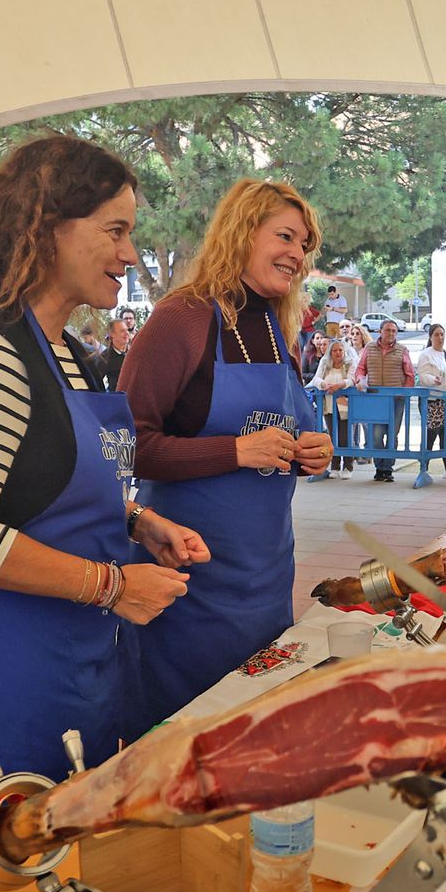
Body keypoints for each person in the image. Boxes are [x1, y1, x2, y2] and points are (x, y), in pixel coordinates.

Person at [0, 136, 208, 886]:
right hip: (0, 660)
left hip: (75, 654)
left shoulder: (68, 352)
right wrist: (114, 587)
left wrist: (136, 522)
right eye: (115, 230)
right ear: (45, 225)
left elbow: (48, 478)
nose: (130, 254)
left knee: (62, 859)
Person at [119, 178, 331, 729]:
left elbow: (291, 431)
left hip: (266, 574)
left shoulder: (277, 327)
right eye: (284, 236)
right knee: (183, 739)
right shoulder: (181, 318)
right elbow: (127, 447)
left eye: (304, 245)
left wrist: (315, 450)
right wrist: (232, 451)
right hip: (189, 579)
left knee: (255, 730)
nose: (297, 254)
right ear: (241, 232)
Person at [352, 318, 414, 482]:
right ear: (380, 331)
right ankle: (380, 467)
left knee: (392, 434)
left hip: (396, 400)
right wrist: (360, 380)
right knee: (376, 435)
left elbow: (410, 375)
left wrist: (404, 393)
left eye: (394, 331)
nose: (391, 333)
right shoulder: (369, 348)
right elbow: (360, 368)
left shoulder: (402, 350)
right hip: (375, 399)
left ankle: (387, 469)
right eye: (388, 330)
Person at [415, 323, 446, 478]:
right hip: (432, 401)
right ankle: (424, 468)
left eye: (442, 334)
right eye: (436, 335)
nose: (440, 338)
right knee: (431, 435)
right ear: (431, 337)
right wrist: (433, 379)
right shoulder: (426, 354)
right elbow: (422, 376)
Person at [308, 339, 356, 481]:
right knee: (332, 435)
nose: (338, 353)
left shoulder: (350, 362)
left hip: (345, 403)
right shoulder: (324, 362)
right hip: (328, 403)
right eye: (335, 350)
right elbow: (316, 379)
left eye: (340, 350)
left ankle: (347, 466)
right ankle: (334, 467)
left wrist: (340, 385)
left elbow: (352, 379)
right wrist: (324, 384)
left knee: (345, 436)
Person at [87, 318, 129, 392]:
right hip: (118, 399)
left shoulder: (134, 351)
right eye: (122, 331)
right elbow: (95, 382)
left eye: (127, 330)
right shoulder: (104, 358)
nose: (127, 333)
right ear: (112, 334)